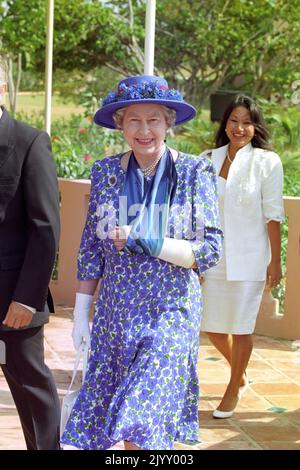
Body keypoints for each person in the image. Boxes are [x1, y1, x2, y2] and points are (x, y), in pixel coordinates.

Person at [60, 74, 223, 450]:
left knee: (142, 416)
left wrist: (147, 240)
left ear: (169, 122)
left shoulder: (194, 173)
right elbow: (91, 247)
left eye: (153, 120)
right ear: (120, 125)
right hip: (116, 313)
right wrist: (82, 312)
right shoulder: (104, 173)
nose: (144, 129)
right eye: (134, 120)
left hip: (171, 312)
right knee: (115, 419)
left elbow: (210, 249)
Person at [200, 94, 284, 418]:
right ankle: (241, 372)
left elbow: (273, 214)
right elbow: (198, 211)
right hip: (214, 257)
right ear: (225, 124)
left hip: (250, 256)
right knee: (213, 326)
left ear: (255, 126)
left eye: (247, 122)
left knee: (242, 327)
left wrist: (275, 261)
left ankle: (233, 387)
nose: (240, 127)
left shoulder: (267, 161)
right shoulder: (208, 158)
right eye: (234, 121)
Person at [0, 58, 61, 449]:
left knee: (31, 389)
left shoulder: (29, 141)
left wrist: (27, 296)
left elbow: (46, 227)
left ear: (2, 87)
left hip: (13, 299)